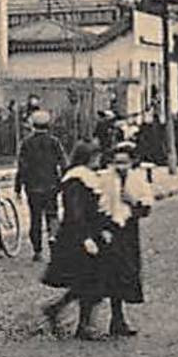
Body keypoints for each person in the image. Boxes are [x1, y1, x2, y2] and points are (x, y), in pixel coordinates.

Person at [40, 140, 116, 340]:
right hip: (78, 235)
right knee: (89, 280)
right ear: (88, 157)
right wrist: (86, 238)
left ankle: (60, 311)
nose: (99, 159)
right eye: (96, 156)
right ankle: (80, 324)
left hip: (90, 233)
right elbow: (76, 212)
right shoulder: (76, 180)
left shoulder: (88, 177)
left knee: (88, 281)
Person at [101, 140, 153, 337]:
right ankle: (116, 318)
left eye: (124, 162)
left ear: (132, 162)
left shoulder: (138, 180)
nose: (120, 167)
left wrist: (133, 202)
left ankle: (118, 319)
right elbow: (98, 204)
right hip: (110, 230)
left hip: (129, 232)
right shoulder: (105, 179)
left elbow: (146, 209)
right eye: (117, 162)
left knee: (127, 272)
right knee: (112, 273)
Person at [15, 109, 67, 262]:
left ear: (33, 125)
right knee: (52, 215)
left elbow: (22, 167)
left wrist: (18, 187)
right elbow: (64, 163)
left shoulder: (26, 143)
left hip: (32, 187)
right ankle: (53, 238)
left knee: (35, 218)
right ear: (48, 125)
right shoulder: (54, 142)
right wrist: (64, 182)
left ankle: (37, 251)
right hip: (51, 185)